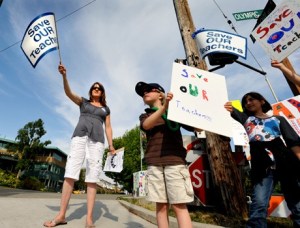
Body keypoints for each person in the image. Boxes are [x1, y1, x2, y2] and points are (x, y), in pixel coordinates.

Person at [43, 64, 115, 228]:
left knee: (92, 178)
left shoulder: (106, 109)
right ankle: (61, 215)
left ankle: (89, 219)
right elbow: (69, 93)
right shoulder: (83, 102)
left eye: (99, 88)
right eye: (94, 87)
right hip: (79, 138)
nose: (96, 89)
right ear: (91, 91)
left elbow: (108, 127)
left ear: (102, 92)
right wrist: (64, 76)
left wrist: (111, 145)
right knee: (70, 174)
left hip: (97, 142)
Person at [224, 92, 300, 228]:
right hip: (262, 166)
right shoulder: (246, 119)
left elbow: (293, 142)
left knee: (296, 201)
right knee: (259, 202)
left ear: (262, 101)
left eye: (251, 99)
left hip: (285, 163)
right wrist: (227, 106)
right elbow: (229, 110)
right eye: (245, 102)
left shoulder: (278, 119)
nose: (248, 103)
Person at [135, 81, 195, 228]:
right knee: (160, 206)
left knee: (179, 205)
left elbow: (196, 126)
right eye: (143, 92)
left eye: (149, 90)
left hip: (175, 161)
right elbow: (146, 125)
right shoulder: (145, 115)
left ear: (161, 94)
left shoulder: (176, 111)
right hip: (154, 163)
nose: (145, 93)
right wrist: (164, 108)